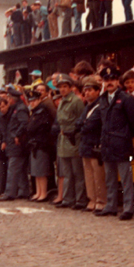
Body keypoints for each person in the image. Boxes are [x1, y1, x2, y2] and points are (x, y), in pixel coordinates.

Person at [96, 65, 134, 220]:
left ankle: (128, 208)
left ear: (117, 80)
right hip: (107, 144)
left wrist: (124, 136)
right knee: (109, 177)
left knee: (126, 177)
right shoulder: (102, 99)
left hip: (123, 144)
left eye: (113, 79)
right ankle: (111, 205)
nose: (110, 82)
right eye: (106, 79)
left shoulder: (127, 98)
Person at [55, 74, 88, 209]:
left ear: (71, 87)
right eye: (60, 87)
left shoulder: (76, 101)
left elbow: (81, 121)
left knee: (77, 173)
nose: (62, 89)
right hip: (63, 140)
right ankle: (68, 199)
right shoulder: (62, 101)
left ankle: (80, 200)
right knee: (67, 173)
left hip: (74, 139)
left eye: (65, 87)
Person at [77, 77, 107, 213]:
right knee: (88, 174)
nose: (87, 93)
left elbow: (91, 124)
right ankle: (92, 199)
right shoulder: (86, 107)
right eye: (85, 90)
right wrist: (82, 124)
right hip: (85, 144)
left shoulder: (100, 106)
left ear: (97, 91)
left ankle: (101, 200)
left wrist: (83, 124)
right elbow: (79, 123)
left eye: (90, 90)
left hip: (95, 144)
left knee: (98, 174)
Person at [0, 87, 30, 201]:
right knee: (19, 169)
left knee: (13, 168)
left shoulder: (20, 109)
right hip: (13, 143)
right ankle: (23, 190)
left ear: (13, 99)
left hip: (17, 143)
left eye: (9, 98)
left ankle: (10, 192)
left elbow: (24, 123)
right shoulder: (15, 108)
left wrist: (18, 135)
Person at [26, 88, 54, 201]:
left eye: (34, 100)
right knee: (36, 171)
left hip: (41, 144)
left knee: (41, 171)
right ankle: (38, 192)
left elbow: (36, 128)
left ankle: (43, 193)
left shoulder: (42, 112)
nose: (31, 103)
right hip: (34, 144)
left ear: (38, 100)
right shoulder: (34, 112)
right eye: (30, 101)